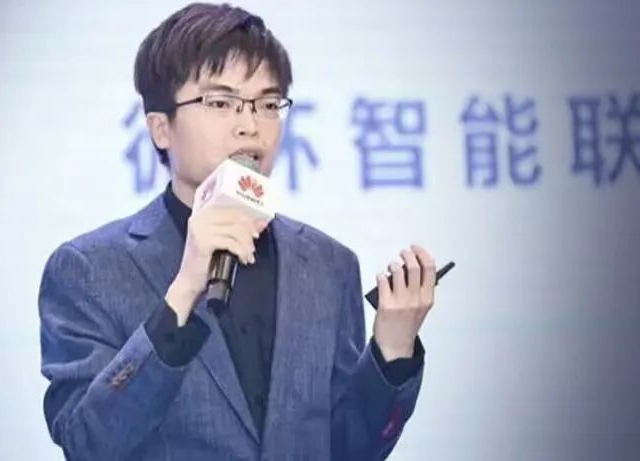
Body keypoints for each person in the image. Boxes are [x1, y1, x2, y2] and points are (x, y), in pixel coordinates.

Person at [38, 3, 437, 460]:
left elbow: (347, 450)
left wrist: (392, 349)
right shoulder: (90, 269)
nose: (250, 126)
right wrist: (182, 296)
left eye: (268, 104)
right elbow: (87, 443)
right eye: (221, 103)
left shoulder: (329, 265)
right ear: (161, 128)